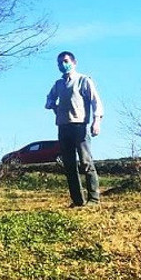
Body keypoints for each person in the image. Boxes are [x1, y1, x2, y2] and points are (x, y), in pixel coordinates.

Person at [44, 50, 104, 207]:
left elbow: (96, 102)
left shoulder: (83, 80)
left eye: (65, 61)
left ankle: (94, 199)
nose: (63, 65)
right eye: (60, 63)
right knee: (69, 165)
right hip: (63, 127)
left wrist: (96, 121)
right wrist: (53, 107)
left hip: (80, 126)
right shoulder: (58, 84)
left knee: (86, 162)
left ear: (74, 62)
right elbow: (49, 99)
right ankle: (77, 200)